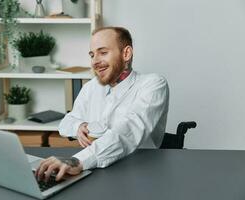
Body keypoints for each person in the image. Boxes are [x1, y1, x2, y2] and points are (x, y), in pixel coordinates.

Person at [35, 26, 169, 182]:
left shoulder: (153, 84)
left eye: (103, 53)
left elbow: (128, 131)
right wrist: (79, 126)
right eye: (92, 55)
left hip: (140, 173)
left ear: (126, 53)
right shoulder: (91, 87)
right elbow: (66, 123)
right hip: (94, 171)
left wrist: (78, 161)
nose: (95, 62)